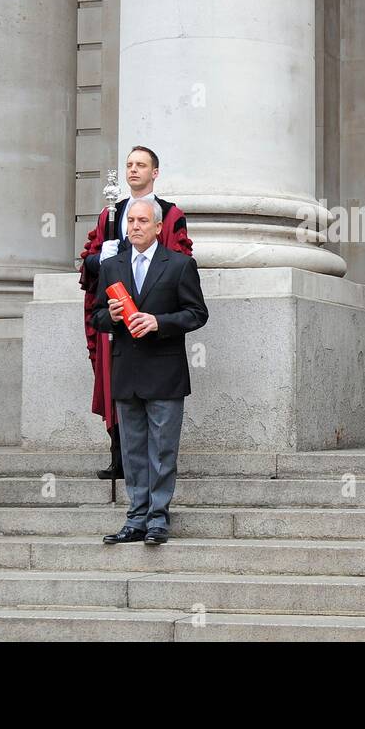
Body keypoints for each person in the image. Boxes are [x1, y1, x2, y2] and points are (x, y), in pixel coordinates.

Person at [92, 197, 208, 545]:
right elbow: (97, 315)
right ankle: (135, 518)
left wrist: (159, 322)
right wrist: (110, 317)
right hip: (126, 372)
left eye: (143, 221)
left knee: (162, 450)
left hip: (165, 373)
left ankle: (158, 518)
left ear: (159, 227)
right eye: (131, 222)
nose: (136, 227)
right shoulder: (112, 266)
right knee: (132, 451)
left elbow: (197, 313)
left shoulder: (179, 265)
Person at [80, 145, 192, 479]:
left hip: (153, 323)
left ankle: (153, 493)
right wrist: (100, 258)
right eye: (129, 165)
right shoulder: (110, 214)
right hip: (116, 320)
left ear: (154, 172)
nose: (133, 170)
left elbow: (178, 260)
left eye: (140, 165)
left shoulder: (169, 215)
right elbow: (88, 264)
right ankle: (119, 456)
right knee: (115, 386)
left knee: (156, 416)